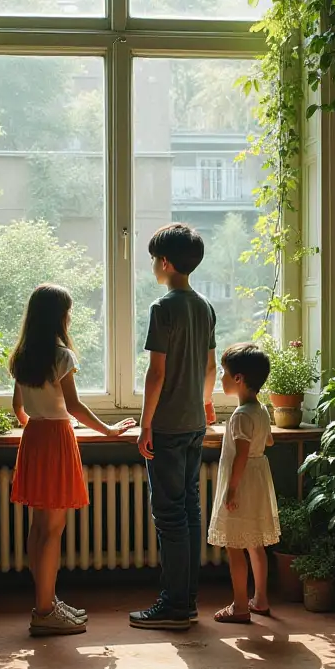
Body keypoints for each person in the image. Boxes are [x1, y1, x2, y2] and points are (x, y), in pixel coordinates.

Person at [10, 284, 135, 636]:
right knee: (53, 530)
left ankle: (45, 601)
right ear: (58, 316)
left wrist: (37, 423)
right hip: (54, 439)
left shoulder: (22, 355)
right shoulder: (61, 355)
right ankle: (45, 610)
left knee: (38, 527)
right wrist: (109, 431)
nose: (70, 317)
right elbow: (75, 406)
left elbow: (18, 410)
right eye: (68, 311)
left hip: (33, 438)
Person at [130, 223, 217, 631]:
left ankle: (174, 606)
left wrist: (145, 425)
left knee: (168, 515)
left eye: (152, 259)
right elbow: (211, 367)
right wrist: (205, 403)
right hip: (195, 423)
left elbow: (155, 374)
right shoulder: (205, 307)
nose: (152, 265)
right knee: (189, 510)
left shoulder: (162, 309)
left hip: (166, 425)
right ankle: (188, 600)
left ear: (164, 263)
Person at [207, 342, 279, 623]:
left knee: (235, 546)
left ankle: (239, 605)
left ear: (238, 379)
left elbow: (241, 456)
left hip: (243, 484)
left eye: (224, 373)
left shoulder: (239, 416)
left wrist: (231, 489)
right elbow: (268, 441)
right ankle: (260, 599)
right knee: (256, 544)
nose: (221, 378)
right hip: (259, 483)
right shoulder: (261, 411)